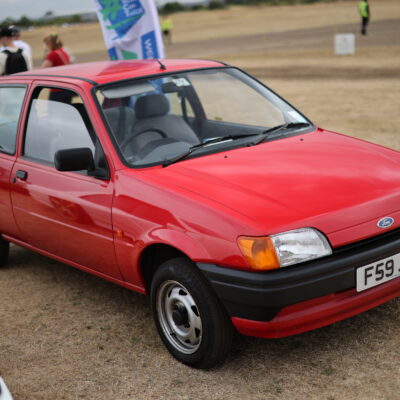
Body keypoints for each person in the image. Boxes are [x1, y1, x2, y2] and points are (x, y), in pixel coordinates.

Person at [42, 33, 72, 103]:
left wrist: (46, 54)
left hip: (57, 89)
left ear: (49, 43)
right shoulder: (62, 51)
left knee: (53, 109)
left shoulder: (53, 54)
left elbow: (43, 69)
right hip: (66, 87)